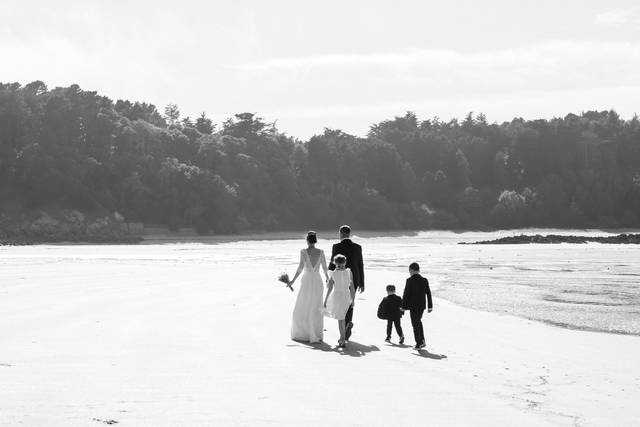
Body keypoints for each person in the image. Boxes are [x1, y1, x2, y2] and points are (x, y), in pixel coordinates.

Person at [289, 231, 330, 343]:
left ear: (307, 240)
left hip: (306, 280)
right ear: (315, 240)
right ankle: (315, 332)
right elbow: (325, 268)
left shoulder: (303, 252)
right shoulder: (321, 252)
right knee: (316, 306)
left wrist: (293, 280)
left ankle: (304, 333)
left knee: (304, 304)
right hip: (317, 280)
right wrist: (327, 278)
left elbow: (300, 268)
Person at [329, 225, 364, 341]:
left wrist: (330, 278)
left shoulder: (336, 246)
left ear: (342, 234)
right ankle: (348, 323)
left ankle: (344, 329)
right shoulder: (357, 247)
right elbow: (360, 265)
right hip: (353, 278)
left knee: (341, 305)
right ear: (349, 234)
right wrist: (362, 282)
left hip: (340, 278)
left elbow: (332, 263)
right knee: (350, 304)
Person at [323, 254, 355, 348]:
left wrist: (325, 300)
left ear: (335, 263)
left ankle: (342, 339)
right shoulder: (349, 271)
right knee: (342, 317)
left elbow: (330, 288)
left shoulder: (333, 273)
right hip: (346, 296)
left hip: (338, 296)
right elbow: (352, 288)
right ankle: (342, 338)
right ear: (344, 262)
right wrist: (352, 300)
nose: (341, 266)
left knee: (341, 318)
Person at [401, 262, 433, 350]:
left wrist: (403, 306)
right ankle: (421, 341)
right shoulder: (424, 280)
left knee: (415, 323)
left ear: (411, 270)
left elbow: (406, 294)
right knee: (418, 322)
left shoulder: (409, 280)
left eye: (409, 270)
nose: (409, 272)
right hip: (422, 305)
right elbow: (428, 293)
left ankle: (419, 343)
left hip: (413, 306)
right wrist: (430, 306)